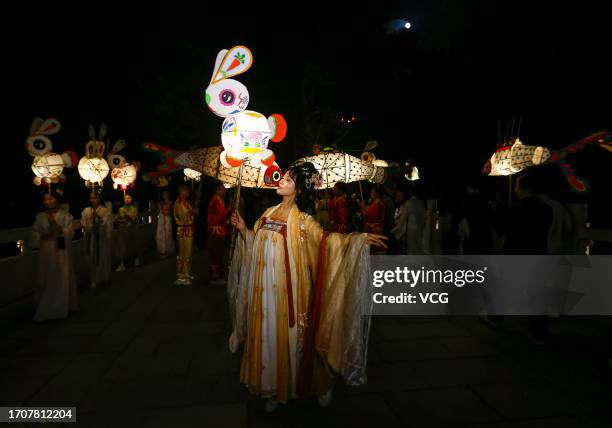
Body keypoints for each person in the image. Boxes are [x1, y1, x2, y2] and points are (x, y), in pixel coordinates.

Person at [228, 162, 386, 412]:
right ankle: (276, 390)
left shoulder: (303, 221)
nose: (282, 181)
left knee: (301, 345)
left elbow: (327, 243)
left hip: (291, 295)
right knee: (270, 339)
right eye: (284, 178)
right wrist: (244, 230)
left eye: (288, 180)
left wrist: (357, 240)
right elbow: (255, 244)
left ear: (299, 190)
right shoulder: (267, 213)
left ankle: (322, 385)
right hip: (265, 296)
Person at [485, 174, 553, 345]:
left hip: (516, 255)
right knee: (537, 295)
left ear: (521, 188)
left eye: (516, 185)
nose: (514, 187)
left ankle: (495, 318)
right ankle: (538, 333)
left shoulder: (514, 210)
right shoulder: (546, 210)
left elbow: (500, 230)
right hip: (538, 255)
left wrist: (499, 211)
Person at [31, 193, 78, 322]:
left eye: (50, 198)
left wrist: (58, 228)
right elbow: (35, 234)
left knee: (61, 277)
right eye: (45, 199)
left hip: (60, 250)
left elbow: (70, 232)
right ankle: (46, 307)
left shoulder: (65, 216)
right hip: (46, 251)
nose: (48, 201)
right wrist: (41, 237)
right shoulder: (40, 217)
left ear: (57, 200)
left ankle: (60, 306)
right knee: (46, 277)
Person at [81, 192, 112, 288]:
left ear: (99, 199)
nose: (92, 200)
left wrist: (98, 218)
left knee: (102, 257)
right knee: (92, 258)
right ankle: (93, 279)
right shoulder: (86, 210)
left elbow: (107, 223)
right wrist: (88, 227)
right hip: (91, 238)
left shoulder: (105, 211)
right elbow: (84, 223)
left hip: (101, 238)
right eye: (91, 198)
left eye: (95, 198)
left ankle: (103, 277)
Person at [459, 179, 493, 255]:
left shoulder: (467, 202)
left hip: (472, 240)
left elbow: (464, 222)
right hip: (485, 239)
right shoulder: (487, 201)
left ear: (469, 187)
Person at [391, 186, 425, 255]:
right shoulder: (421, 202)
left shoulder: (409, 202)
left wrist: (396, 228)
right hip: (420, 227)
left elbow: (403, 217)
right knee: (418, 245)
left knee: (411, 245)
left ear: (410, 193)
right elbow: (423, 216)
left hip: (411, 228)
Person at [175, 185, 197, 285]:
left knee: (188, 253)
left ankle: (186, 272)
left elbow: (191, 213)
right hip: (183, 231)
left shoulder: (186, 202)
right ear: (182, 191)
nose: (188, 193)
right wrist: (194, 212)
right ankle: (181, 276)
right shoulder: (179, 202)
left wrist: (194, 212)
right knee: (183, 254)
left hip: (188, 230)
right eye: (186, 191)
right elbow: (185, 215)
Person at [206, 182, 228, 284]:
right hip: (216, 231)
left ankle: (219, 275)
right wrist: (226, 214)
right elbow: (219, 217)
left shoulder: (220, 200)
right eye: (223, 188)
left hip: (220, 231)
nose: (225, 190)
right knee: (215, 253)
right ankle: (215, 277)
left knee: (219, 253)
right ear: (218, 189)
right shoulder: (215, 200)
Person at [115, 193, 140, 271]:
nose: (127, 199)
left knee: (133, 244)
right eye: (125, 198)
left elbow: (134, 220)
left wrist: (127, 216)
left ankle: (136, 258)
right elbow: (117, 219)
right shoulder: (120, 209)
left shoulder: (134, 209)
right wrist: (121, 220)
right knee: (122, 247)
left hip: (131, 229)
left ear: (131, 199)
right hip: (122, 230)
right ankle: (121, 264)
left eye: (129, 198)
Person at [156, 190, 175, 258]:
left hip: (167, 219)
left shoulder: (170, 202)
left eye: (166, 194)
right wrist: (160, 209)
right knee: (160, 234)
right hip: (161, 219)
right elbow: (158, 212)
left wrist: (166, 212)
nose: (165, 195)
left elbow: (171, 211)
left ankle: (167, 250)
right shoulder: (161, 203)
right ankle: (162, 250)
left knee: (167, 234)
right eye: (164, 194)